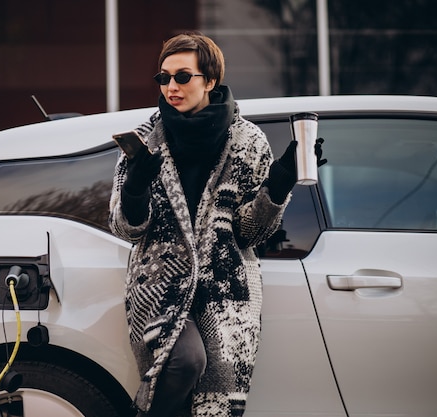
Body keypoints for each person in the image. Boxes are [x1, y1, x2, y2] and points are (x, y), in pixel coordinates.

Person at [109, 32, 325, 417]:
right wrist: (136, 189)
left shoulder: (248, 142)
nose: (171, 87)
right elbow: (126, 228)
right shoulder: (147, 140)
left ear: (210, 80)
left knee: (216, 402)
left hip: (226, 290)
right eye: (164, 78)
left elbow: (251, 234)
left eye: (182, 76)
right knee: (185, 360)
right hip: (160, 284)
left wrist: (280, 182)